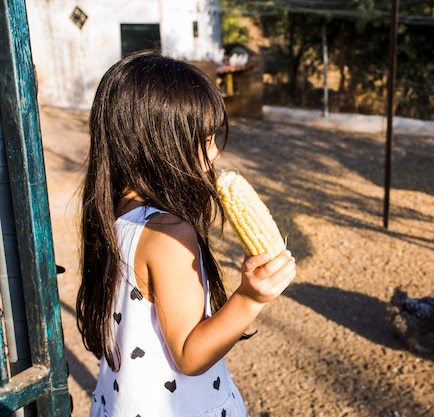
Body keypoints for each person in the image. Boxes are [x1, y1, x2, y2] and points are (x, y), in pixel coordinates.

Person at [76, 50, 296, 417]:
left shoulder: (114, 211)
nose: (214, 155)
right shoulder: (168, 233)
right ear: (159, 143)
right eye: (205, 139)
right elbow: (190, 356)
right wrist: (251, 297)